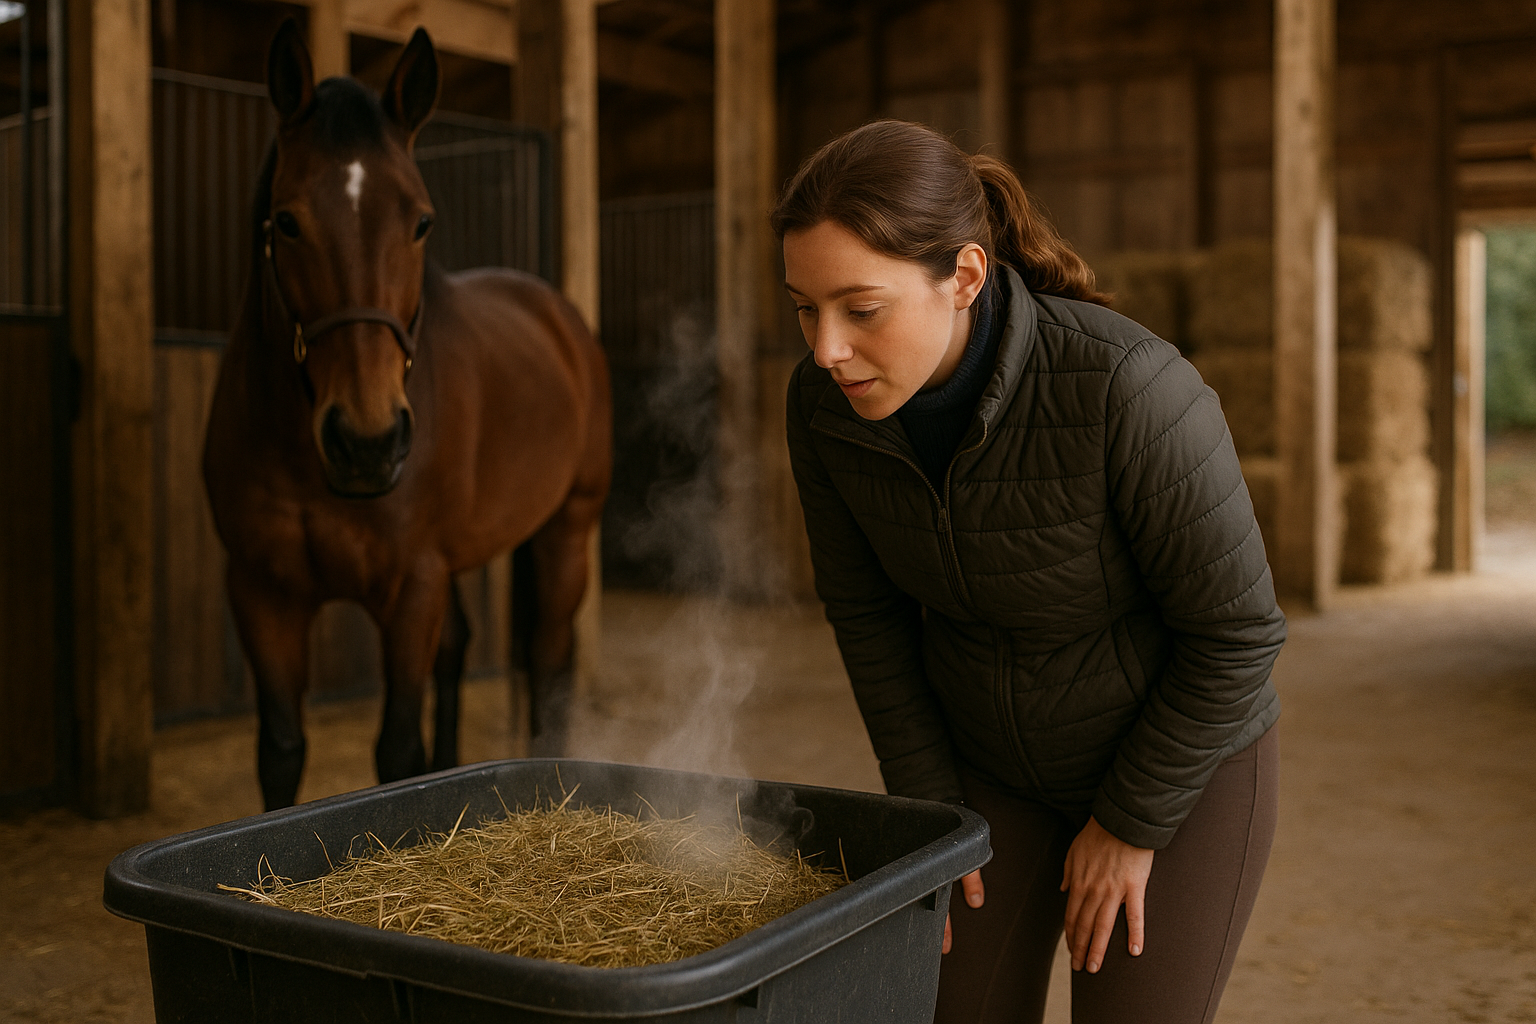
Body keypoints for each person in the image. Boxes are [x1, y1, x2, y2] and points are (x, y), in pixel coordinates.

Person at [775, 120, 1285, 1024]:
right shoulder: (822, 408)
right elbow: (866, 614)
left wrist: (1127, 824)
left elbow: (1236, 635)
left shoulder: (1128, 386)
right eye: (805, 308)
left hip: (1173, 762)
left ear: (965, 277)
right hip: (988, 768)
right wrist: (931, 816)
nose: (827, 349)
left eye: (862, 309)